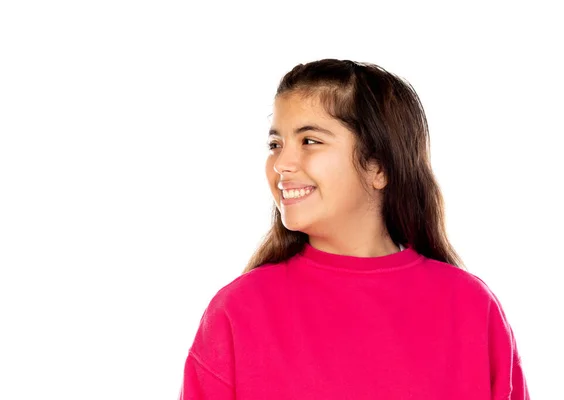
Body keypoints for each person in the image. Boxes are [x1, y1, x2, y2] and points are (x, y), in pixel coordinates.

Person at [179, 59, 530, 399]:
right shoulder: (237, 312)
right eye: (275, 145)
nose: (281, 164)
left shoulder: (470, 308)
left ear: (378, 166)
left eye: (310, 141)